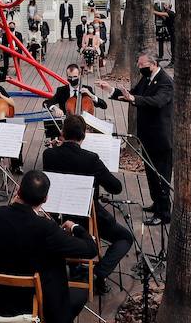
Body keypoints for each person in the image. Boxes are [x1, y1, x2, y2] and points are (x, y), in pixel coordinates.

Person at [0, 170, 98, 323]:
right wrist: (75, 227)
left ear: (18, 192)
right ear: (45, 199)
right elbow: (90, 249)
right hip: (32, 303)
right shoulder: (47, 229)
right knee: (80, 293)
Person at [40, 115, 133, 293]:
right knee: (125, 238)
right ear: (83, 136)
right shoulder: (91, 159)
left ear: (62, 133)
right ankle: (98, 273)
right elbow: (116, 187)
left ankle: (74, 267)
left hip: (57, 217)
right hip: (87, 217)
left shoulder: (49, 154)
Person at [102, 52, 174, 226]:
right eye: (139, 66)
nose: (140, 69)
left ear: (154, 63)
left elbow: (156, 102)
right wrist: (110, 89)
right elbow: (132, 94)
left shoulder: (165, 82)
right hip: (147, 136)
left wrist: (134, 98)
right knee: (150, 173)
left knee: (161, 175)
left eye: (143, 66)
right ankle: (156, 203)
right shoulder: (147, 79)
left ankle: (164, 213)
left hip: (161, 138)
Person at [44, 64, 106, 139]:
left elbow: (104, 105)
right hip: (67, 128)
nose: (72, 79)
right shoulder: (61, 90)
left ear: (79, 75)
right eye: (70, 77)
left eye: (75, 77)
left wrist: (91, 95)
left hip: (84, 128)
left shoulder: (87, 90)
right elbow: (46, 103)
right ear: (66, 76)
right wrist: (55, 108)